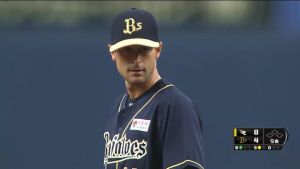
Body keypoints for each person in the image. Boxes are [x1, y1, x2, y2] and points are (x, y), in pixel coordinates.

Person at [104, 8, 205, 169]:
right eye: (127, 50)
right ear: (112, 52)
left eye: (144, 49)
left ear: (158, 50)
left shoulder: (174, 106)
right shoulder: (116, 107)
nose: (136, 60)